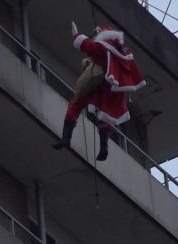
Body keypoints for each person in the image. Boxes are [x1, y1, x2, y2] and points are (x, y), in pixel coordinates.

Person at [53, 22, 145, 160]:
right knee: (105, 114)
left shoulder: (102, 48)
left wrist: (76, 35)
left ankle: (66, 138)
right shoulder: (123, 53)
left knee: (76, 104)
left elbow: (87, 46)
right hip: (112, 90)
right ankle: (104, 147)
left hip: (97, 85)